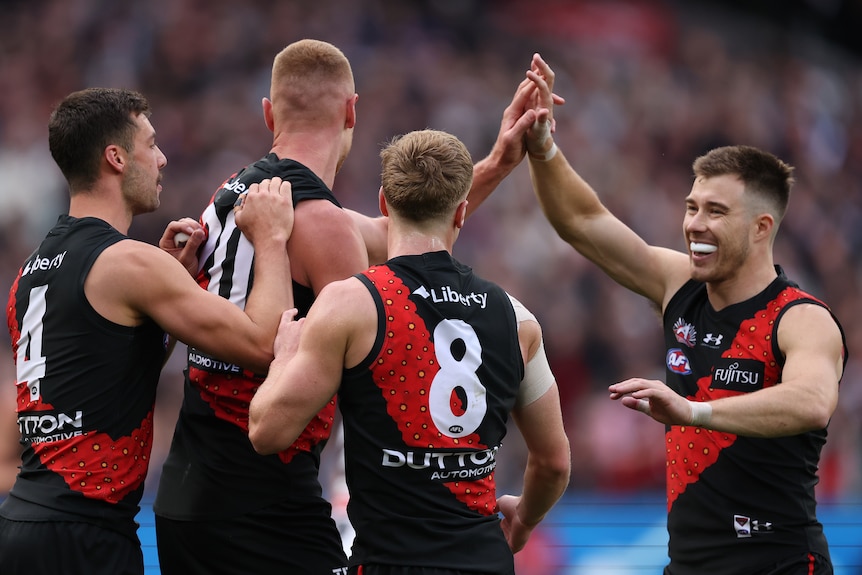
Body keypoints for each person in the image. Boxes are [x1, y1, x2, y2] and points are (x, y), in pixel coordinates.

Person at [153, 40, 554, 575]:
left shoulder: (232, 193)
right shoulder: (324, 225)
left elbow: (408, 231)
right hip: (263, 502)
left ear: (269, 114)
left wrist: (499, 162)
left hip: (185, 488)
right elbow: (388, 301)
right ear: (352, 110)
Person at [522, 55, 847, 574]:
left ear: (762, 227)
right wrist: (542, 147)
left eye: (715, 212)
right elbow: (584, 221)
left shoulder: (801, 318)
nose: (695, 224)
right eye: (692, 207)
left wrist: (694, 411)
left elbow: (812, 402)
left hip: (779, 564)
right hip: (688, 566)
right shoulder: (680, 286)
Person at [248, 129, 572, 575]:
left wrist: (284, 355)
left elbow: (267, 431)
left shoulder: (352, 304)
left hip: (388, 562)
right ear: (461, 213)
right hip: (483, 562)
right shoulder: (517, 319)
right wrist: (525, 519)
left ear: (383, 203)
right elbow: (554, 463)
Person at [0, 87, 294, 575]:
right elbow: (266, 343)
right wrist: (272, 239)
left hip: (23, 522)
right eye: (151, 144)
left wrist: (162, 307)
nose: (161, 160)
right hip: (85, 536)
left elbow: (104, 373)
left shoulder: (33, 269)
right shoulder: (129, 263)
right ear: (115, 157)